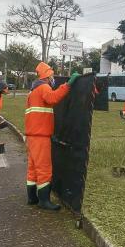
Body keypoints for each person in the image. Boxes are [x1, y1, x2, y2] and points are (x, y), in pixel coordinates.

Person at [25, 62, 80, 211]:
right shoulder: (44, 87)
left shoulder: (32, 91)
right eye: (52, 76)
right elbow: (53, 98)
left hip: (32, 135)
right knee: (44, 168)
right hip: (40, 135)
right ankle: (44, 200)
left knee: (33, 168)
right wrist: (68, 84)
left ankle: (32, 197)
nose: (53, 78)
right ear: (47, 76)